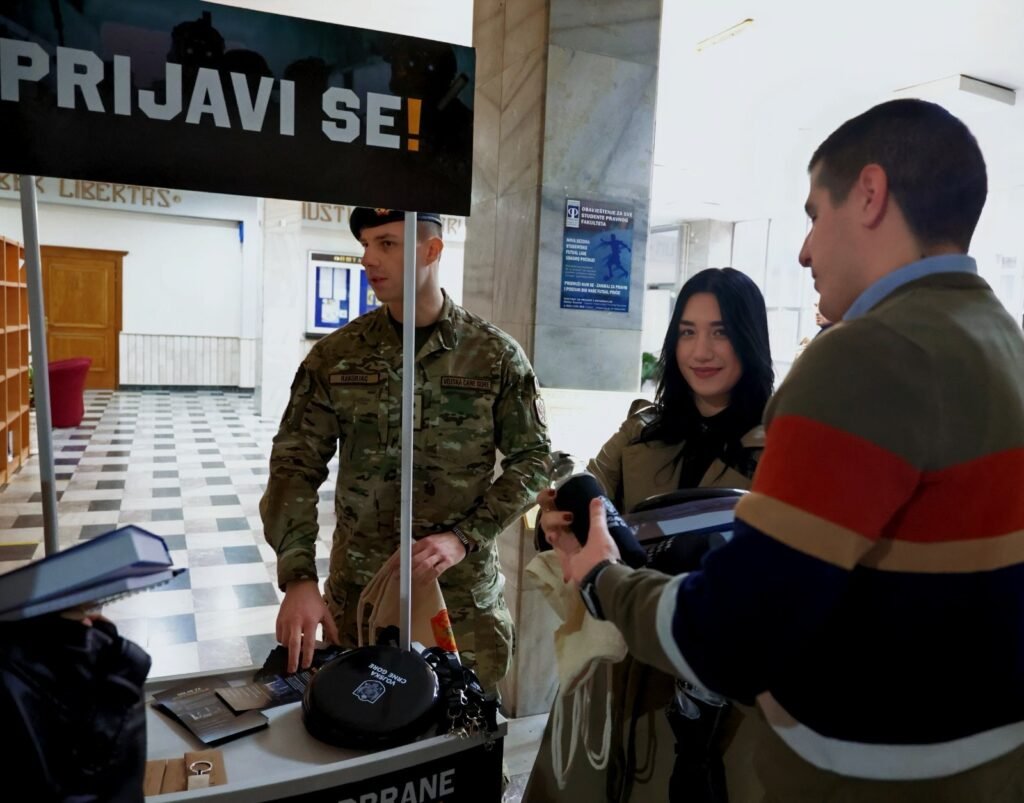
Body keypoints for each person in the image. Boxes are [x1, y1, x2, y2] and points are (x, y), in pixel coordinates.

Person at [552, 99, 1024, 802]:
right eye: (686, 331)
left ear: (869, 194)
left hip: (861, 778)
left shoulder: (864, 356)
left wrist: (602, 579)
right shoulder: (1002, 341)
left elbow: (731, 637)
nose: (804, 249)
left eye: (812, 214)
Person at [260, 208, 550, 693]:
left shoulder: (493, 355)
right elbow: (294, 465)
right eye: (367, 245)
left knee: (463, 742)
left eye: (388, 244)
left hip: (457, 604)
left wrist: (463, 537)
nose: (369, 259)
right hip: (362, 597)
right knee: (360, 742)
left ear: (432, 250)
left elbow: (534, 459)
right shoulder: (337, 356)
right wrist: (299, 578)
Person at [525, 267, 774, 803]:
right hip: (617, 674)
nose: (701, 350)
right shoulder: (641, 431)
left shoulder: (783, 449)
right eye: (687, 331)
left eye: (721, 331)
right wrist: (553, 526)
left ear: (750, 338)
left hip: (720, 695)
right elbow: (583, 510)